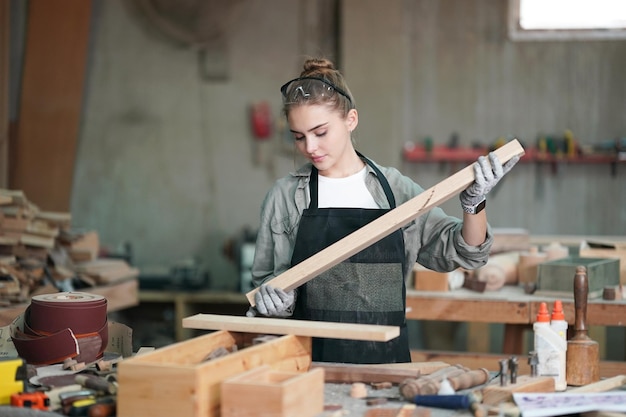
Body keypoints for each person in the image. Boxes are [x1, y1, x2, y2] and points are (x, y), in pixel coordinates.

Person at [247, 57, 519, 364]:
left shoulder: (396, 191)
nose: (310, 147)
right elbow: (264, 288)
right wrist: (274, 301)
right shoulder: (284, 197)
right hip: (307, 363)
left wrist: (475, 205)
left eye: (320, 132)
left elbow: (465, 253)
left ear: (351, 120)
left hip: (386, 365)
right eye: (299, 137)